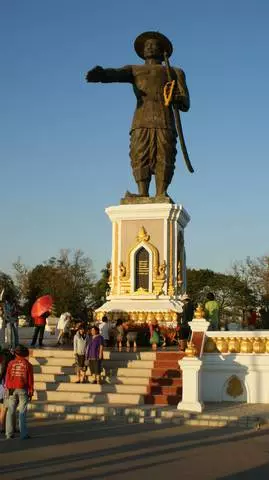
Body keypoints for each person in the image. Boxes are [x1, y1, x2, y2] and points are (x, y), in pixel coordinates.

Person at [86, 31, 190, 198]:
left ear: (162, 50)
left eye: (153, 44)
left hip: (164, 120)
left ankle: (161, 193)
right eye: (146, 45)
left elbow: (186, 102)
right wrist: (102, 74)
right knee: (139, 153)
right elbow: (116, 73)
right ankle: (143, 193)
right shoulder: (134, 69)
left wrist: (178, 98)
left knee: (165, 153)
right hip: (141, 119)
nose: (148, 47)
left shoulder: (175, 72)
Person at [5, 345, 34, 440]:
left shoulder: (10, 363)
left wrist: (7, 388)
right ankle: (23, 434)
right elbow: (30, 380)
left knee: (10, 411)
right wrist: (31, 391)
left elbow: (7, 377)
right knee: (22, 411)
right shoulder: (28, 364)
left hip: (11, 389)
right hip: (23, 388)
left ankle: (9, 433)